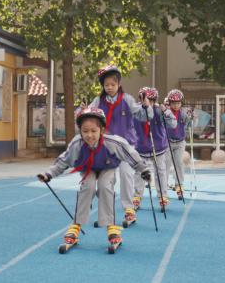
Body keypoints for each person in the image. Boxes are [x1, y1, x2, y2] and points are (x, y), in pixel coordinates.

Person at [37, 108, 150, 251]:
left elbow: (131, 154)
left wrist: (143, 170)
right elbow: (63, 161)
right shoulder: (77, 144)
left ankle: (112, 229)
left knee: (105, 186)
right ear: (80, 131)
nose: (89, 135)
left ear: (101, 130)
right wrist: (49, 174)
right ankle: (76, 226)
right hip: (88, 169)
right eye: (85, 131)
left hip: (107, 167)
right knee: (88, 186)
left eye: (93, 131)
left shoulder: (113, 143)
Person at [81, 65, 153, 226]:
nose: (109, 88)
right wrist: (84, 111)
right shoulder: (98, 101)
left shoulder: (126, 99)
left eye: (112, 84)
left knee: (126, 176)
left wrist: (146, 106)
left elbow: (143, 116)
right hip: (107, 148)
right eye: (106, 85)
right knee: (106, 182)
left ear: (119, 84)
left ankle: (129, 210)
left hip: (126, 146)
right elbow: (87, 117)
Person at [132, 87, 176, 211]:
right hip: (141, 147)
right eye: (145, 100)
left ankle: (162, 195)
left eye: (151, 101)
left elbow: (173, 124)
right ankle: (137, 197)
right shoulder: (136, 111)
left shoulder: (159, 111)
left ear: (155, 100)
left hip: (158, 147)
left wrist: (166, 112)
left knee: (160, 172)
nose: (148, 103)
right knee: (139, 172)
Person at [163, 89, 193, 200]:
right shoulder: (166, 112)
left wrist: (191, 117)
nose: (176, 105)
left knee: (179, 163)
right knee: (166, 164)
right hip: (167, 142)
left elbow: (189, 124)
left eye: (178, 103)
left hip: (180, 141)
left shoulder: (183, 112)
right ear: (169, 103)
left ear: (181, 103)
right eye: (173, 103)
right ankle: (163, 185)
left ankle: (179, 184)